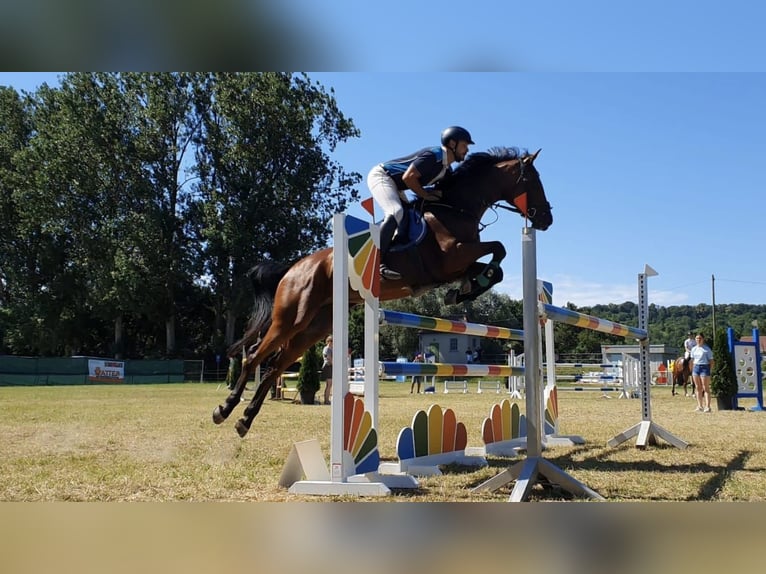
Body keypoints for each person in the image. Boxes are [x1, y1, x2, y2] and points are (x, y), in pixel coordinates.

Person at [367, 126, 475, 280]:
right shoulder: (434, 155)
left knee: (408, 218)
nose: (467, 150)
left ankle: (394, 255)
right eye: (465, 146)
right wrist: (426, 194)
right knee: (395, 212)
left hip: (397, 186)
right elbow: (408, 177)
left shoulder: (445, 170)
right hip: (382, 176)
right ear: (452, 144)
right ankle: (375, 263)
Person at [690, 332, 715, 413]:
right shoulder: (693, 349)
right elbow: (692, 360)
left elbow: (711, 361)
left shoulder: (706, 349)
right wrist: (692, 370)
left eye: (700, 338)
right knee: (698, 387)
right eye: (697, 338)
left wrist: (710, 370)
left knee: (705, 387)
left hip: (704, 367)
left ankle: (707, 406)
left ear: (703, 339)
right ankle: (699, 406)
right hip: (696, 367)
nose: (698, 340)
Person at [321, 335, 333, 405]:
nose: (332, 343)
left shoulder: (330, 349)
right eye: (331, 341)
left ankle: (327, 399)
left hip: (329, 366)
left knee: (329, 384)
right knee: (329, 384)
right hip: (328, 366)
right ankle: (326, 400)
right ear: (328, 341)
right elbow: (329, 358)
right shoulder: (327, 349)